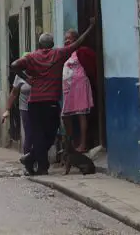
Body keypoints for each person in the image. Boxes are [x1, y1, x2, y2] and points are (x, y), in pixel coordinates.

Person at [10, 20, 94, 176]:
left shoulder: (31, 57)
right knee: (49, 134)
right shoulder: (58, 54)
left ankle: (35, 161)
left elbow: (14, 65)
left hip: (34, 103)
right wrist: (90, 27)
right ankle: (37, 162)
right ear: (53, 44)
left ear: (40, 45)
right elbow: (77, 44)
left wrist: (26, 77)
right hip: (50, 102)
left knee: (38, 135)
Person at [62, 29, 97, 153]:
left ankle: (83, 144)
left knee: (82, 115)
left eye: (69, 38)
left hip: (80, 87)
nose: (66, 41)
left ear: (76, 39)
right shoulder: (67, 53)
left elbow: (91, 67)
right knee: (65, 115)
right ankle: (71, 144)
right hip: (69, 90)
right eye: (65, 38)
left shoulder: (82, 52)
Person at [2, 53, 32, 155]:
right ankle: (27, 158)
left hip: (39, 107)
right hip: (25, 109)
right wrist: (7, 109)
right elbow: (14, 93)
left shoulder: (37, 72)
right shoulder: (19, 75)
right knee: (29, 134)